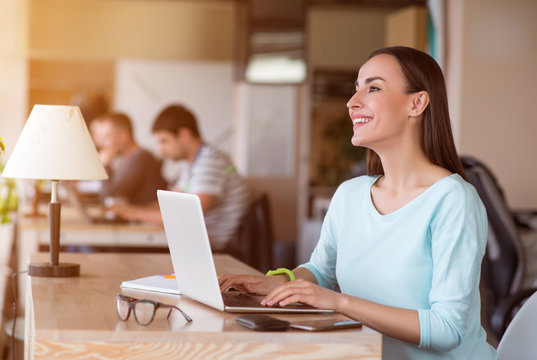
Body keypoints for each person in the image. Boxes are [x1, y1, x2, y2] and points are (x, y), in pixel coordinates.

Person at [218, 46, 497, 359]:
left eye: (373, 88)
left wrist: (339, 302)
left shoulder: (452, 200)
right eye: (356, 89)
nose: (352, 102)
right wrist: (277, 284)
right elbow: (322, 271)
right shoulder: (350, 195)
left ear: (417, 103)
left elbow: (448, 329)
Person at [111, 104, 249, 251]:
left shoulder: (211, 162)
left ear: (183, 135)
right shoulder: (195, 163)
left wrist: (135, 214)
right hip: (197, 245)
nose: (161, 150)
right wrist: (128, 210)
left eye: (164, 141)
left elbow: (188, 217)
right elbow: (171, 203)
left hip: (214, 251)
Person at [92, 112, 166, 205]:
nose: (104, 144)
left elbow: (109, 197)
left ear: (124, 136)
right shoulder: (127, 158)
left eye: (107, 138)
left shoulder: (140, 158)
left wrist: (105, 166)